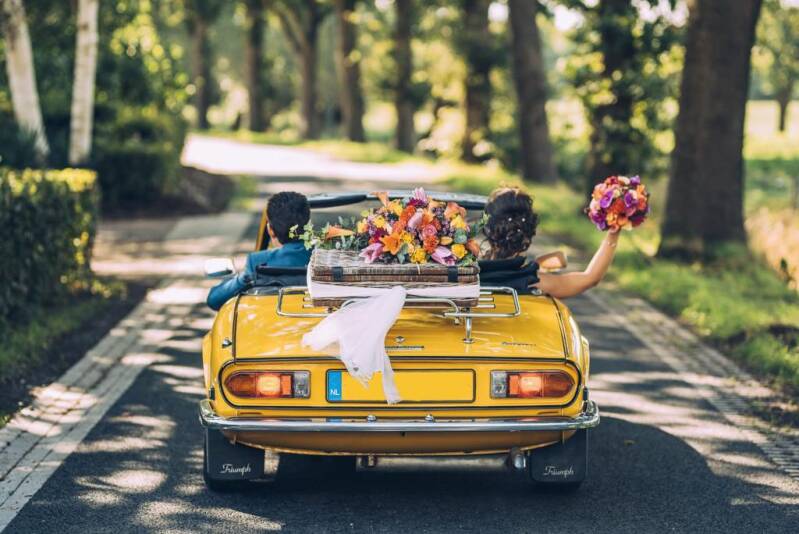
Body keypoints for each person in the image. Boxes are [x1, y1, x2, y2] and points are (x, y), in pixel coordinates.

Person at [482, 186, 619, 299]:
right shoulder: (534, 281)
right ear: (528, 233)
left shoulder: (470, 272)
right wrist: (613, 231)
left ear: (487, 229)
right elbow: (590, 278)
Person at [207, 191, 312, 310]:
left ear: (270, 230)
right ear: (308, 227)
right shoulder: (324, 258)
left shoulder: (258, 261)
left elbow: (214, 300)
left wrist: (241, 278)